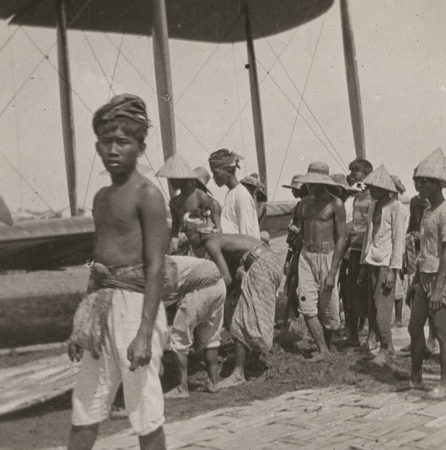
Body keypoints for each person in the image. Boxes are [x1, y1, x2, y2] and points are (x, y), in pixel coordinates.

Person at [67, 94, 168, 450]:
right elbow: (98, 264)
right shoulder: (101, 197)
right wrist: (83, 320)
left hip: (136, 306)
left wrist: (143, 333)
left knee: (144, 406)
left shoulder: (148, 195)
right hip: (101, 303)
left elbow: (157, 266)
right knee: (86, 402)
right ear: (96, 145)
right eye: (106, 141)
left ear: (140, 146)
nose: (113, 149)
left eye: (122, 141)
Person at [182, 213, 282, 389]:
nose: (187, 237)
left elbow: (226, 279)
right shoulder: (219, 239)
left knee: (239, 320)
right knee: (246, 315)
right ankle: (247, 363)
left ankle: (238, 373)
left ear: (200, 233)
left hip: (260, 265)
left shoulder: (211, 242)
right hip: (269, 261)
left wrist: (212, 302)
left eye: (189, 232)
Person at [295, 162, 346, 360]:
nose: (310, 186)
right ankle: (322, 348)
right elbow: (301, 233)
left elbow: (341, 237)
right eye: (309, 182)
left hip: (327, 256)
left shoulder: (336, 204)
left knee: (328, 306)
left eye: (314, 182)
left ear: (323, 183)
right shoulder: (304, 203)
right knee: (307, 304)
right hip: (306, 255)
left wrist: (333, 271)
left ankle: (327, 345)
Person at [407, 149, 446, 398]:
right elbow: (424, 250)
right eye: (419, 181)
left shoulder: (444, 212)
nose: (420, 185)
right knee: (414, 328)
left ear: (437, 184)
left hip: (439, 278)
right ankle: (416, 376)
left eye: (425, 181)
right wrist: (414, 280)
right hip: (423, 276)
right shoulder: (427, 212)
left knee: (442, 333)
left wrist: (440, 287)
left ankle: (444, 383)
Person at [358, 165, 405, 365]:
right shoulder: (374, 206)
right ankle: (388, 347)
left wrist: (393, 270)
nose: (372, 190)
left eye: (375, 187)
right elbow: (368, 238)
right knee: (371, 306)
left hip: (386, 262)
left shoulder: (397, 208)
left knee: (382, 306)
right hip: (372, 260)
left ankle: (386, 347)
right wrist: (362, 264)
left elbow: (398, 241)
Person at [164, 255, 226, 397]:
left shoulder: (156, 266)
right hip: (219, 284)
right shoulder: (173, 259)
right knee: (211, 336)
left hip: (201, 288)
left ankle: (182, 388)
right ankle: (213, 382)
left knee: (179, 337)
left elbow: (164, 299)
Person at [157, 155, 221, 254]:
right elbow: (174, 231)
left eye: (171, 178)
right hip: (188, 250)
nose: (170, 182)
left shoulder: (200, 197)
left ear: (180, 177)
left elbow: (218, 228)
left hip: (207, 249)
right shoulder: (174, 203)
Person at [344, 158, 374, 347]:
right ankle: (353, 335)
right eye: (352, 171)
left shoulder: (372, 199)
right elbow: (353, 226)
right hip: (353, 250)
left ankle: (371, 336)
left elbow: (369, 229)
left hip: (365, 251)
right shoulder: (356, 197)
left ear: (366, 174)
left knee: (367, 294)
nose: (353, 174)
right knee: (350, 293)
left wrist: (366, 254)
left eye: (357, 171)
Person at [208, 149, 260, 238]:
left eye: (216, 173)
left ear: (228, 171)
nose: (213, 177)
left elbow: (249, 236)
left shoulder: (241, 195)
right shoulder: (230, 194)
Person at [281, 175, 306, 330]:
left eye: (294, 189)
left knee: (297, 287)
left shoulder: (307, 206)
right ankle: (295, 318)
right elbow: (291, 238)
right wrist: (288, 258)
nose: (293, 192)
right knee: (290, 287)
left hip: (305, 251)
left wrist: (298, 231)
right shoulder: (298, 206)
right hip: (296, 250)